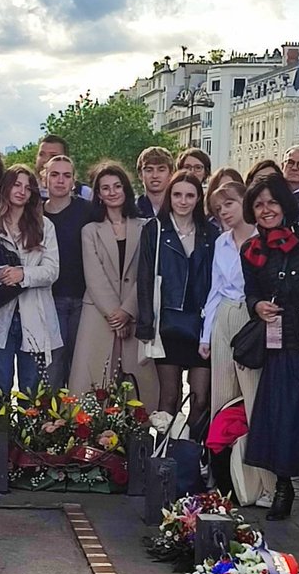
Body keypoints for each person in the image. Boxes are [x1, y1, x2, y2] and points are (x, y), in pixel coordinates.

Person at [239, 174, 299, 522]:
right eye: (259, 205)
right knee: (281, 414)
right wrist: (257, 305)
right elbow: (250, 292)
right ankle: (283, 486)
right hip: (279, 339)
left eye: (272, 202)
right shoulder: (252, 249)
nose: (266, 210)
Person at [200, 181, 272, 505]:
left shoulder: (266, 240)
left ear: (245, 202)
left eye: (228, 204)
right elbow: (215, 289)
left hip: (254, 319)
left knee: (256, 402)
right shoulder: (221, 242)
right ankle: (226, 482)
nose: (224, 212)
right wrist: (206, 335)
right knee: (222, 402)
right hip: (225, 318)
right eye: (218, 208)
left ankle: (264, 485)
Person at [69, 162, 157, 402]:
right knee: (92, 386)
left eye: (117, 186)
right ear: (98, 194)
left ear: (126, 189)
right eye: (105, 188)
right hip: (98, 314)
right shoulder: (90, 230)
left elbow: (146, 273)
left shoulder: (146, 227)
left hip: (136, 313)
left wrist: (128, 311)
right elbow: (94, 275)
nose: (112, 192)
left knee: (137, 391)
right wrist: (114, 315)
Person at [138, 170, 218, 424]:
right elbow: (145, 279)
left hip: (201, 325)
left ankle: (193, 456)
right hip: (168, 323)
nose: (183, 201)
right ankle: (165, 457)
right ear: (169, 196)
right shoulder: (155, 229)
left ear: (198, 199)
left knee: (200, 397)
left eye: (190, 195)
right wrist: (147, 324)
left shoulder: (210, 233)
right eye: (177, 194)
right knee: (169, 397)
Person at [0, 165, 60, 396]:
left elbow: (51, 270)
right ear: (5, 187)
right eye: (16, 185)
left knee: (31, 393)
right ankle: (0, 433)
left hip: (34, 313)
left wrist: (23, 274)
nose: (21, 191)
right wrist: (0, 272)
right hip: (0, 317)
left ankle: (27, 433)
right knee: (0, 390)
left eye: (28, 187)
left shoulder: (43, 225)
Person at [43, 155, 94, 390]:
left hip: (83, 298)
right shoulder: (36, 214)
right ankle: (49, 422)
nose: (60, 181)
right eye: (54, 174)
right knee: (52, 364)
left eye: (66, 175)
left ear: (74, 181)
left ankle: (76, 422)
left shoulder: (87, 210)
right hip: (49, 299)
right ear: (45, 178)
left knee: (80, 364)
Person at [35, 135, 92, 200]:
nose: (45, 160)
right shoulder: (27, 191)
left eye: (53, 155)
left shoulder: (85, 194)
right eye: (41, 154)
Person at [136, 146, 174, 218]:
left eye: (161, 170)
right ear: (140, 175)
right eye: (149, 170)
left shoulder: (179, 209)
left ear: (171, 174)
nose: (155, 176)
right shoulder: (132, 212)